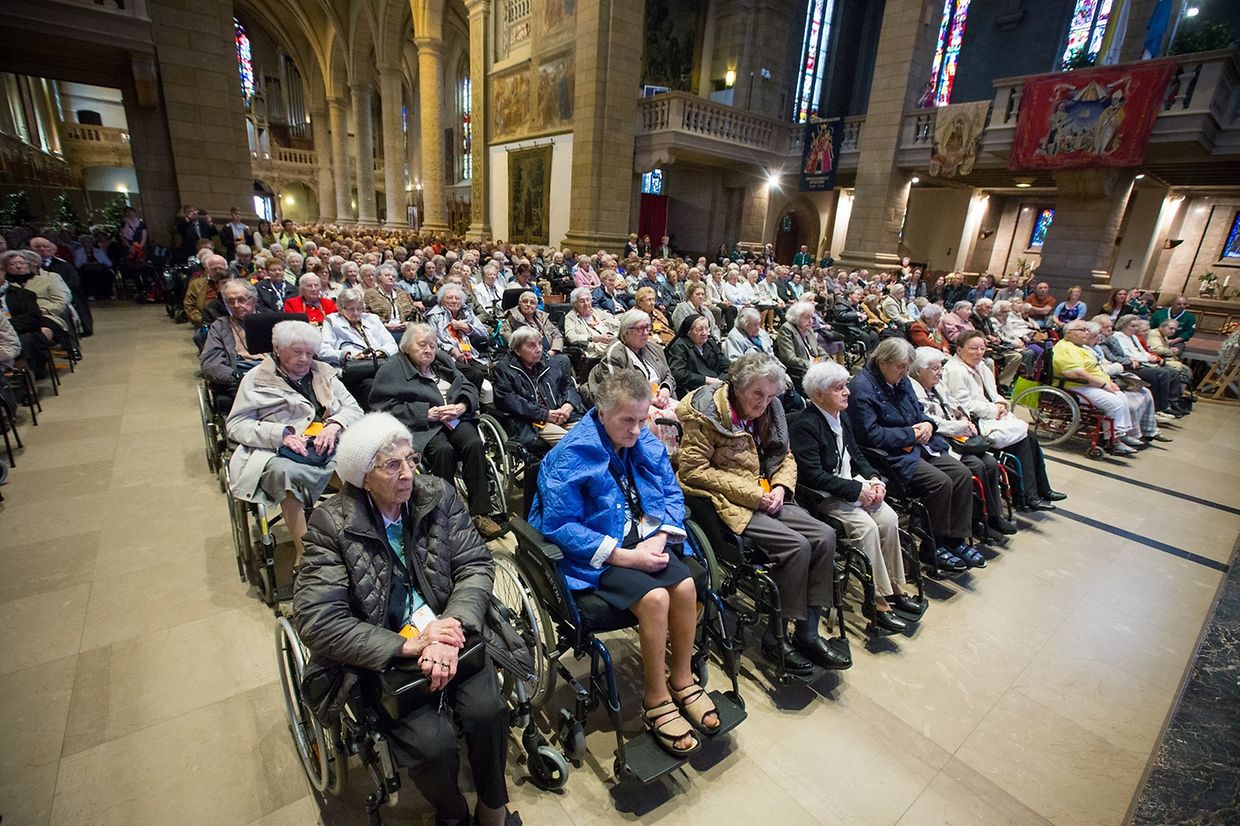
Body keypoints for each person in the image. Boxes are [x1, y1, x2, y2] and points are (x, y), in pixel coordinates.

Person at [294, 412, 521, 826]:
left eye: (411, 460)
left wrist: (450, 626)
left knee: (487, 711)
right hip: (387, 651)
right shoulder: (332, 524)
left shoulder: (438, 495)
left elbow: (474, 564)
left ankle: (492, 806)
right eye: (392, 465)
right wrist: (408, 644)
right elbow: (317, 618)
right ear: (363, 477)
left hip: (454, 633)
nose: (408, 474)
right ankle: (451, 814)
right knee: (433, 746)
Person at [530, 369, 718, 757]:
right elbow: (560, 525)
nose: (636, 430)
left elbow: (670, 490)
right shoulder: (571, 455)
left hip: (646, 539)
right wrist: (626, 555)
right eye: (626, 421)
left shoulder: (643, 440)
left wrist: (663, 535)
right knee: (655, 600)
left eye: (641, 418)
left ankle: (682, 679)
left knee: (685, 587)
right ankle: (656, 697)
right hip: (597, 551)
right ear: (602, 414)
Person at [677, 352, 850, 674]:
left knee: (825, 536)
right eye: (758, 394)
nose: (764, 402)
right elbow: (692, 471)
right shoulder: (706, 414)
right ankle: (775, 636)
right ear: (737, 386)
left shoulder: (771, 409)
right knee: (796, 546)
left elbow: (785, 456)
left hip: (769, 491)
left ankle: (808, 633)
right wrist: (756, 495)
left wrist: (782, 488)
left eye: (771, 395)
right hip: (728, 500)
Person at [792, 361, 926, 633]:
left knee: (888, 518)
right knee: (865, 527)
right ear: (818, 394)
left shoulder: (841, 417)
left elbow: (858, 455)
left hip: (851, 487)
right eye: (838, 388)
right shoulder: (805, 425)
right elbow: (813, 476)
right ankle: (876, 600)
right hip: (825, 495)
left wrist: (874, 479)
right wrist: (856, 490)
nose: (847, 393)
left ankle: (894, 587)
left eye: (845, 386)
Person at [226, 320, 364, 564]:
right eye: (296, 352)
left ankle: (354, 540)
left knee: (360, 467)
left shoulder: (324, 372)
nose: (304, 359)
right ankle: (306, 556)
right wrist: (281, 434)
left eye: (309, 353)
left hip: (326, 445)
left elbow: (354, 408)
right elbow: (236, 425)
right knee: (288, 475)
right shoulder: (257, 379)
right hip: (278, 451)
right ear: (278, 349)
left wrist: (335, 424)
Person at [848, 338, 977, 571]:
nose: (905, 372)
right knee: (940, 483)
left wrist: (928, 424)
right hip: (890, 455)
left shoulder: (902, 380)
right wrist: (910, 434)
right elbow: (870, 435)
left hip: (919, 444)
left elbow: (918, 410)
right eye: (901, 367)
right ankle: (931, 546)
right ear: (883, 362)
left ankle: (954, 540)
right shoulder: (862, 387)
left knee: (962, 473)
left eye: (908, 367)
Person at [368, 323, 503, 538]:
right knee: (443, 451)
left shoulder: (441, 361)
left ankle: (481, 514)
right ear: (406, 347)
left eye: (432, 345)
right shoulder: (392, 369)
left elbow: (466, 384)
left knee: (474, 444)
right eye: (422, 345)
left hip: (454, 418)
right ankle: (447, 514)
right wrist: (425, 413)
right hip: (421, 426)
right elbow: (382, 406)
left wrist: (462, 406)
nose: (429, 350)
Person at [939, 331, 1064, 510]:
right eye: (973, 349)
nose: (979, 353)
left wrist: (1000, 403)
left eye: (982, 348)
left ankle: (1043, 489)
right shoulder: (955, 370)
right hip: (975, 422)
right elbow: (963, 404)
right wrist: (993, 409)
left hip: (992, 415)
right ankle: (1027, 496)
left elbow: (994, 392)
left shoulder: (981, 365)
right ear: (959, 350)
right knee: (1020, 441)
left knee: (1030, 437)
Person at [1051, 320, 1142, 455]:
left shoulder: (1081, 347)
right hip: (1075, 387)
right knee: (1114, 403)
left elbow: (1096, 368)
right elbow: (1074, 373)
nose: (1087, 333)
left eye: (1088, 330)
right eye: (1083, 330)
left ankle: (1120, 434)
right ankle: (1113, 441)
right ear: (1069, 333)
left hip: (1090, 384)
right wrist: (1103, 384)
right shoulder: (1065, 348)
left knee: (1122, 397)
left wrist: (1109, 382)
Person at [492, 326, 584, 453]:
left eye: (540, 344)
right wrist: (545, 414)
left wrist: (568, 405)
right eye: (532, 346)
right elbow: (510, 402)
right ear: (517, 350)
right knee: (573, 444)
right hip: (532, 423)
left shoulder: (549, 362)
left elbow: (568, 386)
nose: (539, 349)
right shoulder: (504, 369)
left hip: (561, 415)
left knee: (594, 432)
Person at [200, 279, 264, 406]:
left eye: (241, 299)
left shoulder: (270, 321)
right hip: (239, 377)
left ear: (253, 300)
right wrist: (236, 376)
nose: (236, 305)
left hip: (272, 373)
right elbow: (210, 364)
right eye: (230, 301)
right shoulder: (220, 327)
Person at [425, 284, 490, 392]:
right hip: (448, 357)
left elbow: (484, 333)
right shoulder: (435, 315)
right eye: (449, 298)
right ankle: (469, 404)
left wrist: (467, 328)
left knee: (491, 370)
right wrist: (451, 349)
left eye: (457, 298)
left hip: (470, 353)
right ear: (442, 300)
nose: (454, 301)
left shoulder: (467, 312)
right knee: (475, 374)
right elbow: (433, 339)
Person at [667, 312, 730, 394]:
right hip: (694, 390)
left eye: (707, 329)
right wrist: (706, 380)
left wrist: (720, 380)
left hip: (718, 385)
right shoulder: (679, 346)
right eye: (700, 329)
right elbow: (678, 374)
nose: (704, 333)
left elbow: (727, 366)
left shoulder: (710, 343)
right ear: (688, 332)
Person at [774, 301, 826, 388]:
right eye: (807, 317)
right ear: (796, 318)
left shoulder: (808, 328)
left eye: (811, 317)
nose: (810, 321)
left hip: (817, 366)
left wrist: (826, 360)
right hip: (802, 371)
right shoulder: (787, 329)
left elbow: (818, 348)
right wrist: (813, 364)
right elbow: (789, 359)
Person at [564, 287, 619, 360]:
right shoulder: (571, 317)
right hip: (594, 349)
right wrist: (594, 338)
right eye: (582, 301)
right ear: (575, 304)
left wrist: (612, 335)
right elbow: (571, 337)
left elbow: (617, 323)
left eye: (588, 300)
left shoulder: (597, 312)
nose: (586, 303)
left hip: (611, 342)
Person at [364, 265, 417, 336]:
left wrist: (409, 323)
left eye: (393, 276)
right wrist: (384, 324)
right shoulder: (371, 294)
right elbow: (368, 314)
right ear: (379, 277)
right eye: (387, 275)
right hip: (381, 330)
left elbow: (414, 312)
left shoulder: (403, 293)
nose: (391, 278)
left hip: (405, 329)